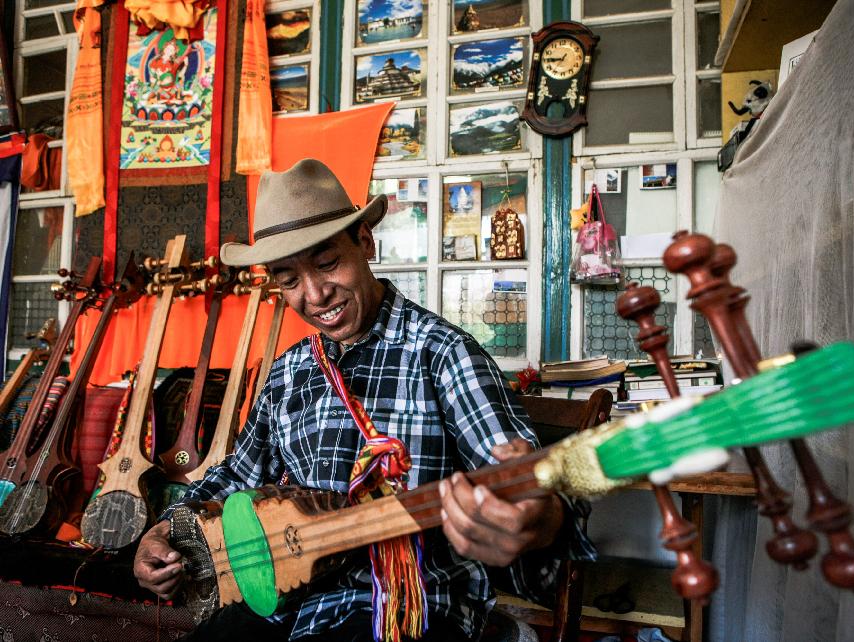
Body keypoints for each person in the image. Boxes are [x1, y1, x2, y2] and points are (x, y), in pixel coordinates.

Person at [133, 158, 596, 641]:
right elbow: (238, 474)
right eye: (288, 279)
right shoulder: (289, 372)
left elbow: (530, 485)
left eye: (327, 262)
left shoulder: (443, 354)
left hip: (409, 606)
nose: (315, 294)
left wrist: (541, 516)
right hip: (291, 601)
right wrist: (166, 529)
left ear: (366, 244)